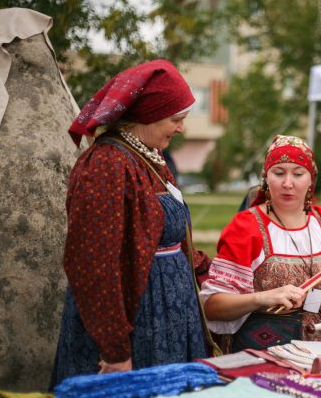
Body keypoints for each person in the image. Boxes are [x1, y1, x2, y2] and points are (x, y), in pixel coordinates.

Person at [50, 60, 214, 388]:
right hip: (136, 327)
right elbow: (93, 263)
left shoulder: (151, 159)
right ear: (148, 113)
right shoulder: (107, 165)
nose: (180, 128)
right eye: (175, 119)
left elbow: (166, 237)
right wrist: (114, 349)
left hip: (168, 321)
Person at [200, 135, 321, 352]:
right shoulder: (247, 226)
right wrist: (262, 298)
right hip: (264, 351)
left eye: (298, 174)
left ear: (311, 180)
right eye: (279, 173)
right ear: (266, 178)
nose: (287, 183)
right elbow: (213, 307)